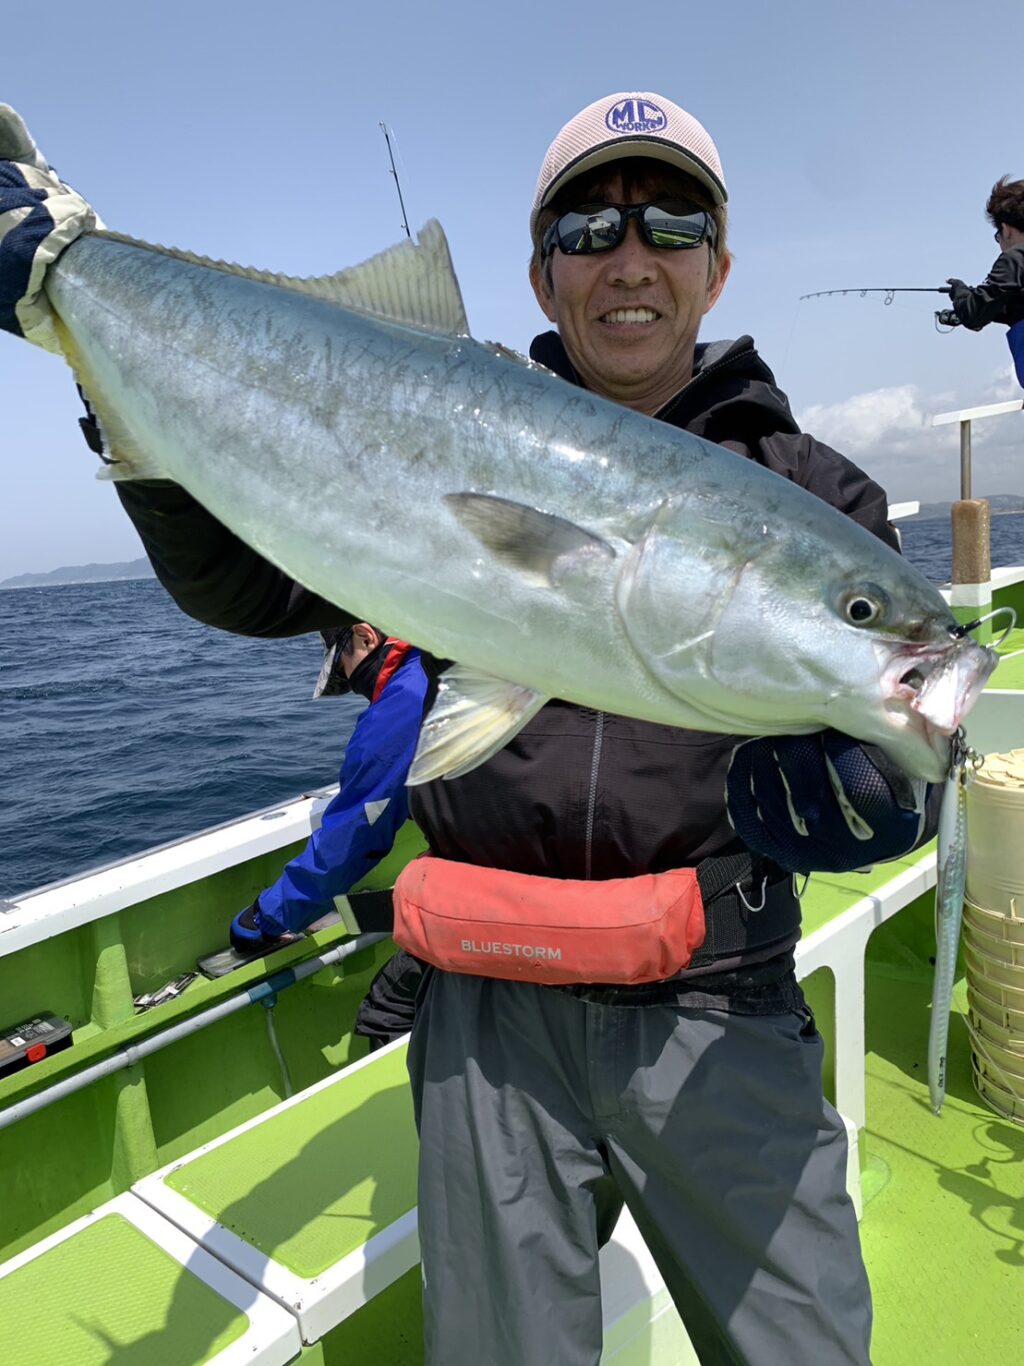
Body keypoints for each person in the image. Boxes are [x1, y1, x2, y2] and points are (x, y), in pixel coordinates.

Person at [0, 92, 940, 1365]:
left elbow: (898, 728)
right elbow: (242, 588)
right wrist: (93, 344)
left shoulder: (814, 493)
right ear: (542, 274)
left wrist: (881, 794)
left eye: (671, 224)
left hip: (720, 1006)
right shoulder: (427, 413)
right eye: (587, 228)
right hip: (488, 1019)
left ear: (717, 266)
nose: (629, 257)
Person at [225, 621, 430, 1051]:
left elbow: (355, 835)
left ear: (366, 637)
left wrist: (267, 918)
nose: (353, 683)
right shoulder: (449, 663)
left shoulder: (405, 701)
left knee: (388, 1012)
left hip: (517, 890)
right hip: (551, 865)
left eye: (344, 664)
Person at [942, 175, 1024, 387]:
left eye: (998, 235)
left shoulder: (1015, 259)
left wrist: (961, 292)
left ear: (1006, 229)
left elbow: (974, 315)